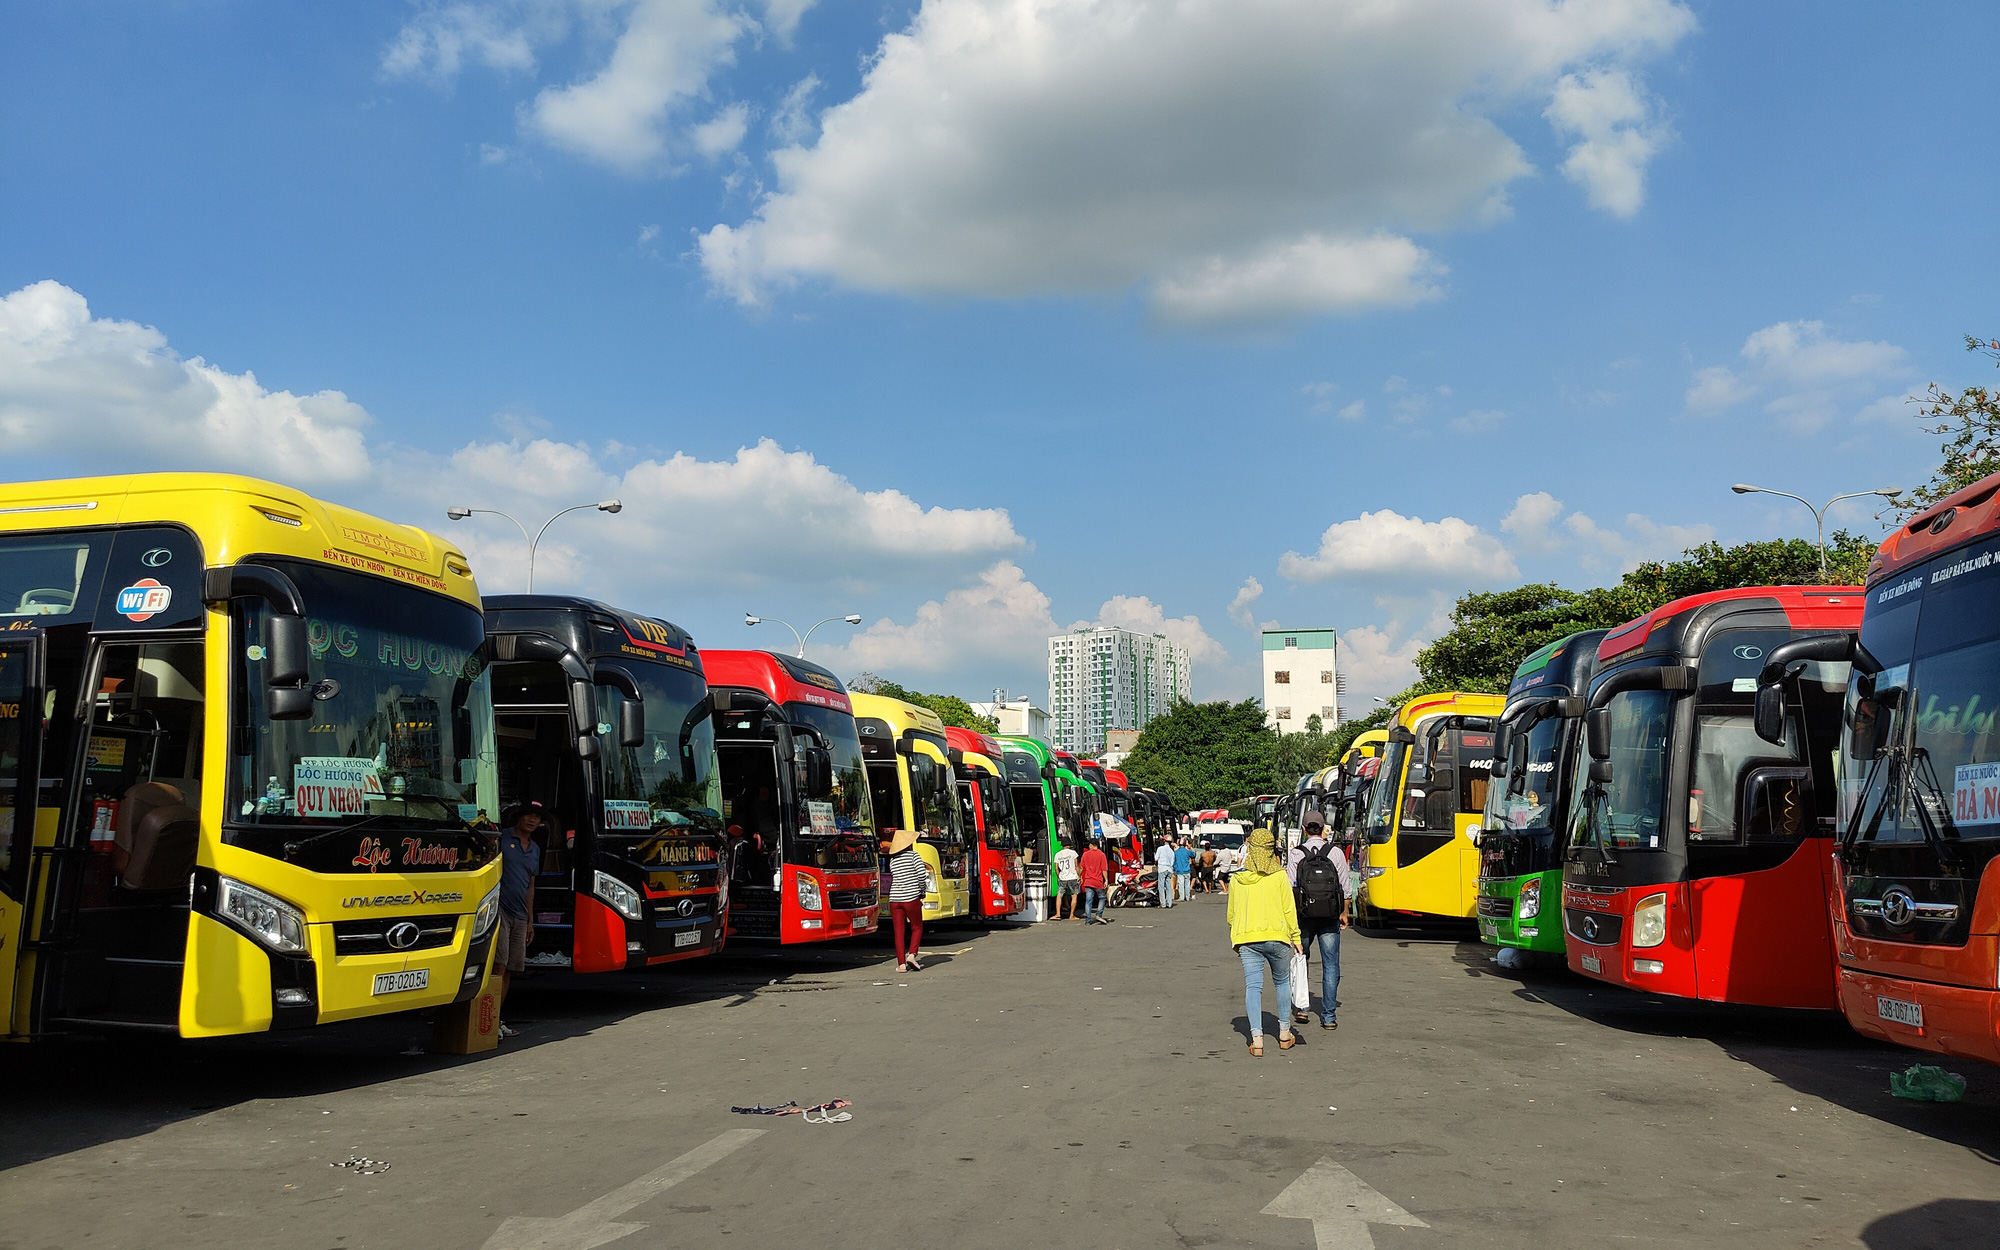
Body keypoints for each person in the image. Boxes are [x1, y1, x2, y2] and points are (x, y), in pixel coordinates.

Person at [1227, 828, 1302, 1056]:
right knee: (1281, 983)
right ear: (1271, 850)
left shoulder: (1237, 879)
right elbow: (1289, 909)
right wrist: (1296, 937)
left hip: (1247, 939)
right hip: (1277, 938)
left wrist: (1239, 931)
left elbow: (1231, 915)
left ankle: (1257, 1039)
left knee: (1253, 986)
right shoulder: (1279, 876)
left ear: (1250, 848)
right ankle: (1284, 1034)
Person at [1286, 809, 1354, 1030]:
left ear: (1304, 829)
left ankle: (1302, 1009)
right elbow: (1345, 886)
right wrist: (1344, 912)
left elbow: (1290, 888)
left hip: (1303, 917)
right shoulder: (1335, 853)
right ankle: (1328, 1016)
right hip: (1329, 916)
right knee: (1331, 965)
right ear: (1324, 828)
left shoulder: (1297, 854)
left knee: (1300, 960)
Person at [494, 801, 547, 1040]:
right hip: (500, 910)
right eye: (528, 815)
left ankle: (495, 1018)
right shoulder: (501, 838)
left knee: (511, 969)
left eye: (537, 817)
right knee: (498, 965)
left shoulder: (535, 849)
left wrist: (530, 920)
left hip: (520, 915)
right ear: (519, 817)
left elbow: (531, 886)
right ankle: (487, 1019)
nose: (532, 820)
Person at [881, 826, 932, 971]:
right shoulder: (914, 856)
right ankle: (912, 955)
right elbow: (922, 875)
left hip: (894, 899)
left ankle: (901, 964)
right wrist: (922, 891)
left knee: (899, 932)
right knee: (916, 927)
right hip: (911, 898)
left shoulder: (893, 860)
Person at [1078, 838, 1110, 924]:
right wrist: (1106, 880)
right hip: (1098, 881)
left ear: (1091, 845)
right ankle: (1099, 914)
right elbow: (1104, 869)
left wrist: (1079, 876)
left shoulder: (1085, 854)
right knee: (1102, 897)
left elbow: (1081, 867)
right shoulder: (1102, 855)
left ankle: (1088, 920)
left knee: (1088, 900)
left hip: (1088, 881)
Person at [1052, 838, 1082, 920]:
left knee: (1059, 896)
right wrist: (1079, 876)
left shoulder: (1058, 854)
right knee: (1074, 896)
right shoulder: (1073, 853)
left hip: (1063, 878)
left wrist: (1059, 877)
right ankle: (1071, 915)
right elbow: (1076, 866)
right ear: (1069, 845)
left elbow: (1056, 868)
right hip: (1073, 877)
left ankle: (1058, 914)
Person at [1153, 836, 1177, 908]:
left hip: (1162, 868)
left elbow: (1156, 858)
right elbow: (1172, 862)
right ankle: (1169, 903)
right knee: (1168, 887)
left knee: (1161, 887)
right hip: (1169, 869)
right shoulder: (1171, 851)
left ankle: (1163, 904)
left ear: (1164, 841)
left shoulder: (1160, 849)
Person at [1173, 835, 1194, 903]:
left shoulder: (1176, 852)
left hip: (1179, 870)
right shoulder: (1187, 851)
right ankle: (1187, 897)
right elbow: (1193, 855)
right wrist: (1189, 847)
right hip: (1187, 870)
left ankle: (1182, 897)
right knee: (1187, 884)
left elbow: (1174, 862)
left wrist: (1174, 869)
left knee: (1181, 884)